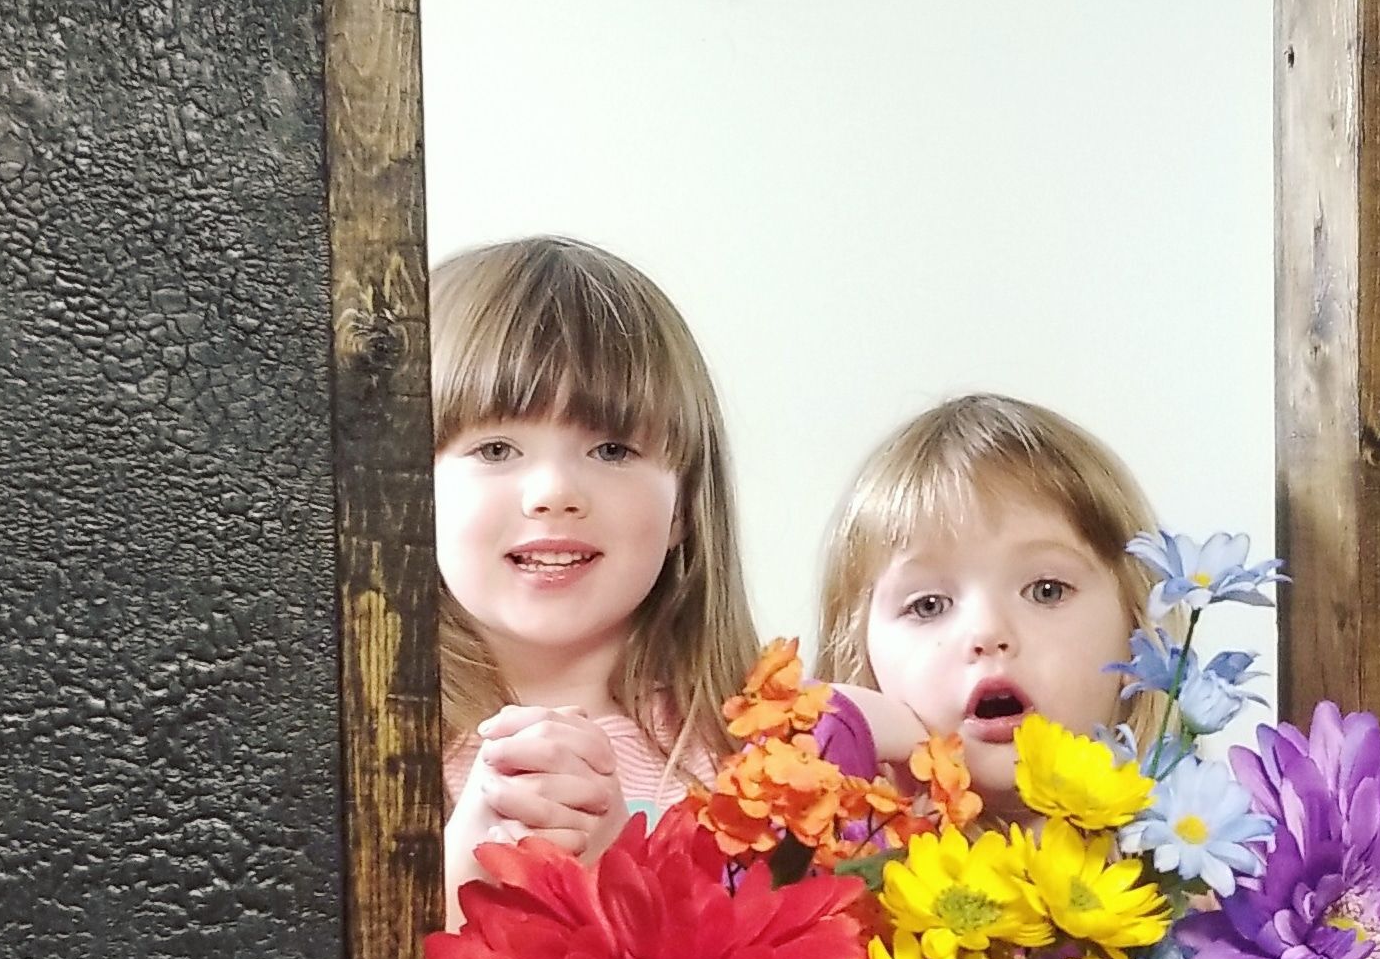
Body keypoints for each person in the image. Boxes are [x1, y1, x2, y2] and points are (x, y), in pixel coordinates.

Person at [433, 236, 757, 922]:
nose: (554, 492)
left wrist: (621, 868)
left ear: (683, 506)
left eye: (611, 449)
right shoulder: (356, 759)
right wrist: (457, 879)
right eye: (496, 448)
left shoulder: (759, 758)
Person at [814, 394, 1154, 814]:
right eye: (929, 605)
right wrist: (840, 738)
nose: (988, 632)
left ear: (1138, 629)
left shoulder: (1209, 849)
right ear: (860, 654)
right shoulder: (835, 851)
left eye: (1046, 590)